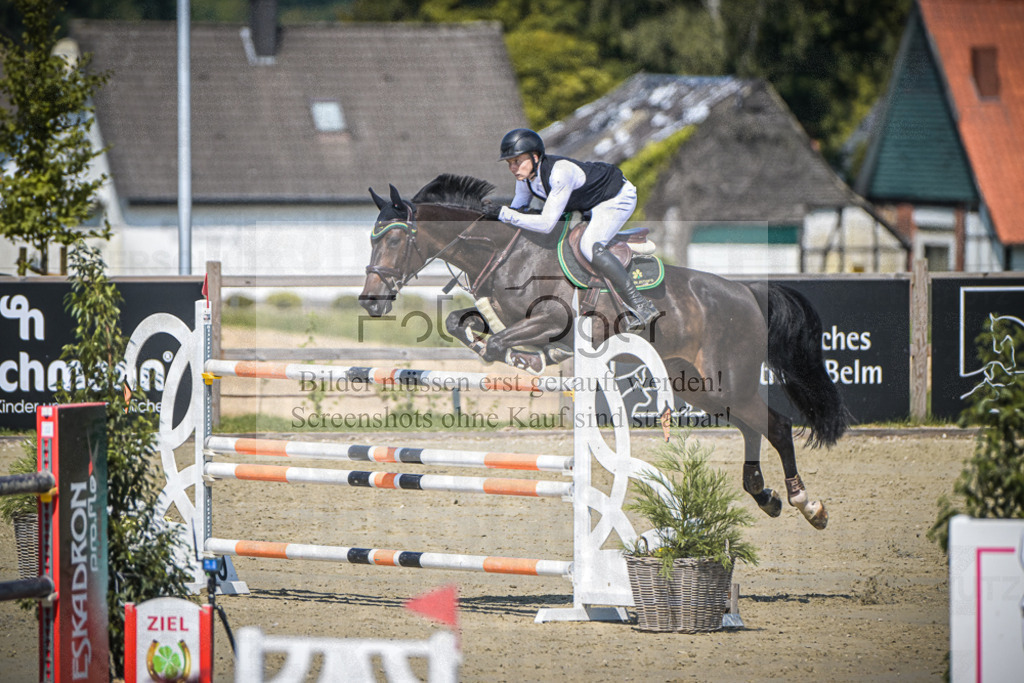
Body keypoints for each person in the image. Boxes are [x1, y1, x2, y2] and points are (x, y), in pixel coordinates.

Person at [495, 128, 659, 331]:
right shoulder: (525, 180)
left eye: (517, 161)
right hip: (589, 204)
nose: (513, 167)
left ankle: (641, 305)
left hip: (616, 198)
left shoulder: (560, 173)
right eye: (510, 163)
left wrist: (502, 213)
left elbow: (546, 224)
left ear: (535, 157)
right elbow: (517, 211)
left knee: (589, 245)